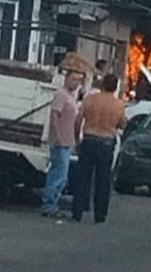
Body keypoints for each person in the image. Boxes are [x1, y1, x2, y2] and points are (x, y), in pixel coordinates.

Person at [73, 73, 124, 224]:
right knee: (103, 180)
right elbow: (122, 124)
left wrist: (77, 138)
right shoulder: (119, 104)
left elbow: (78, 120)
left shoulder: (90, 100)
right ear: (115, 88)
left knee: (83, 178)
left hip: (89, 138)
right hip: (106, 142)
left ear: (102, 85)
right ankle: (100, 215)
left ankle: (77, 211)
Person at [41, 69, 83, 218]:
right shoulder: (61, 94)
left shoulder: (72, 96)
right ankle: (49, 206)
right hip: (61, 141)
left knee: (63, 175)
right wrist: (56, 136)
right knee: (58, 174)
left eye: (79, 80)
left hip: (68, 140)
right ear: (66, 79)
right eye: (74, 79)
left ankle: (53, 204)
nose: (76, 82)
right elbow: (54, 115)